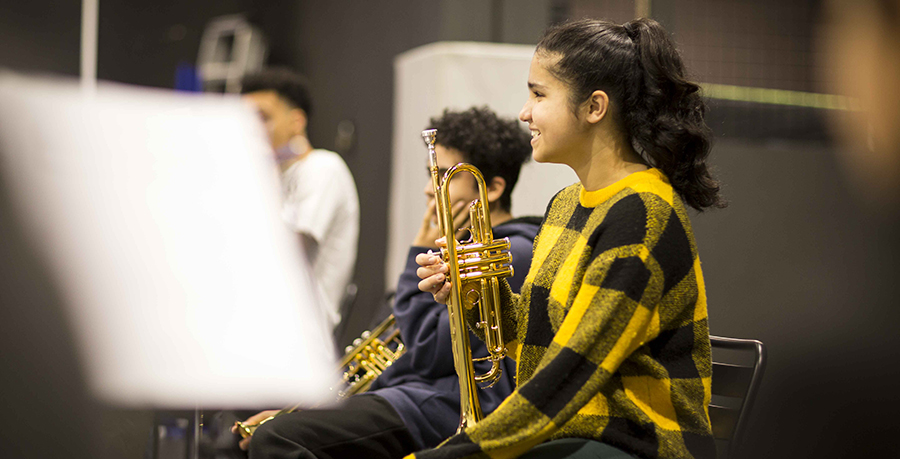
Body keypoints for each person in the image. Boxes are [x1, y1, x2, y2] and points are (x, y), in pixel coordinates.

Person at [416, 18, 725, 459]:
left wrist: (457, 452)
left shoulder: (643, 211)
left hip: (639, 443)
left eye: (539, 94)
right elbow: (535, 342)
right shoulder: (565, 203)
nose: (524, 112)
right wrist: (470, 293)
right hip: (573, 434)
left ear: (594, 107)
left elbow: (574, 368)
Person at [235, 106, 539, 459]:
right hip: (412, 395)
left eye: (443, 176)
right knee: (250, 437)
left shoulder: (510, 252)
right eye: (429, 175)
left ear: (492, 188)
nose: (429, 189)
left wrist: (418, 254)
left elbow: (426, 350)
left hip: (445, 403)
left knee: (278, 440)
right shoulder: (456, 246)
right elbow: (397, 349)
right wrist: (315, 408)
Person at [241, 68, 360, 331]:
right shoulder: (276, 175)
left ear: (296, 122)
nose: (251, 129)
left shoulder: (323, 168)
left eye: (262, 117)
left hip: (301, 340)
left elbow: (282, 256)